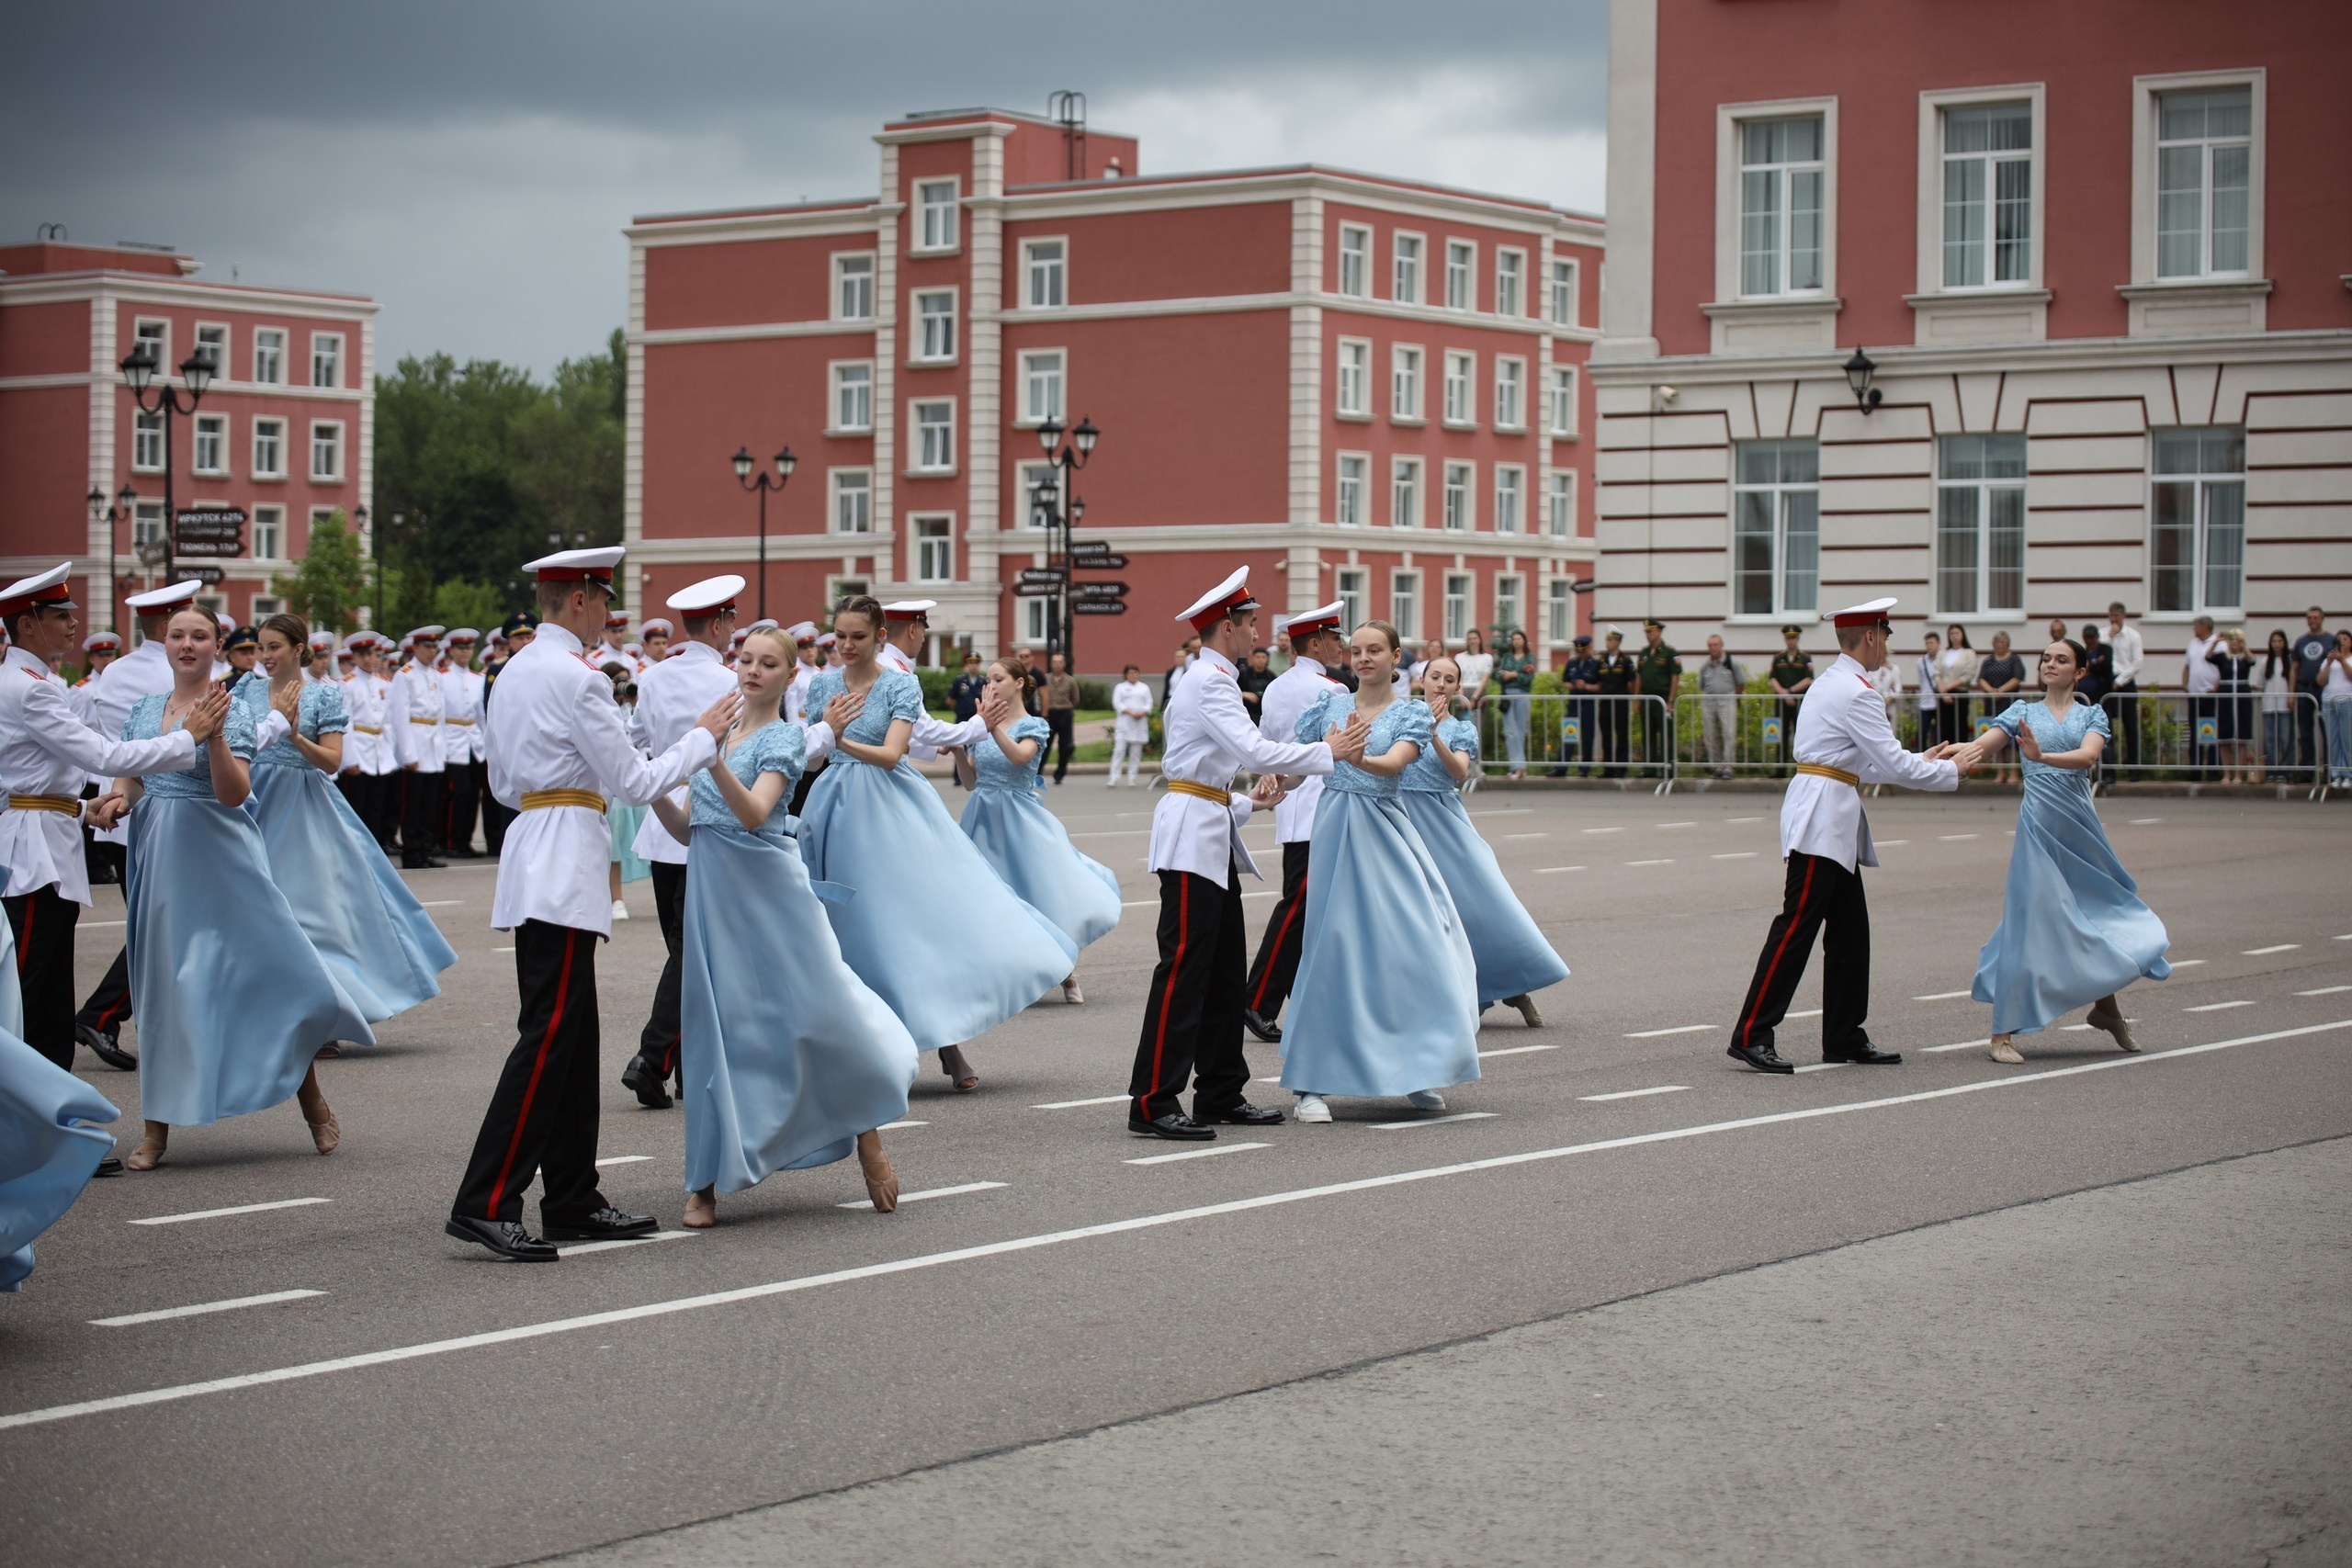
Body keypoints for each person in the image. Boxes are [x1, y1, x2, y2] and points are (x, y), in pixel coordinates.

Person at [447, 547, 736, 1263]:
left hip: (537, 840)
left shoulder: (514, 669)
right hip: (562, 850)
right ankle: (487, 1199)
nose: (609, 613)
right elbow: (635, 780)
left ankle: (572, 1194)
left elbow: (504, 779)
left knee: (573, 1038)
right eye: (603, 600)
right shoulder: (577, 680)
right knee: (548, 1037)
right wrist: (704, 738)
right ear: (578, 599)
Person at [646, 623, 910, 1228]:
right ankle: (705, 1182)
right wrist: (654, 781)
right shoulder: (721, 731)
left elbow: (753, 813)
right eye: (745, 658)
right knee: (717, 1032)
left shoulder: (786, 738)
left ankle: (866, 1134)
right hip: (713, 900)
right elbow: (689, 829)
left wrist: (704, 755)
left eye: (768, 663)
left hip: (772, 897)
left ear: (791, 676)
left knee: (819, 1018)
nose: (752, 669)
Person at [98, 606, 369, 1170]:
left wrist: (216, 736)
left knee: (267, 979)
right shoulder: (146, 709)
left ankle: (311, 1098)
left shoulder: (237, 707)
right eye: (178, 636)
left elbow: (231, 792)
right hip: (161, 856)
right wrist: (118, 799)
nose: (188, 645)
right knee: (164, 989)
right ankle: (154, 1131)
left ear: (217, 645)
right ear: (165, 644)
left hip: (223, 854)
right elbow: (133, 778)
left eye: (200, 636)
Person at [797, 595, 1076, 1097]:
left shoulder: (900, 682)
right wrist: (819, 743)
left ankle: (946, 1041)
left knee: (904, 921)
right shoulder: (821, 684)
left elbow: (893, 752)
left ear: (880, 636)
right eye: (839, 635)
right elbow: (813, 759)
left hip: (888, 810)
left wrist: (836, 738)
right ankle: (854, 1048)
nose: (845, 645)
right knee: (838, 927)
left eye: (857, 636)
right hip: (832, 809)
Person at [1125, 569, 1362, 1141]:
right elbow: (1252, 748)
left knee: (1226, 970)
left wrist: (1249, 803)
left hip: (1206, 824)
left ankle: (1220, 1090)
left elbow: (1202, 772)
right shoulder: (1210, 680)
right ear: (1227, 626)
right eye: (1252, 622)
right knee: (1183, 968)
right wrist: (1323, 750)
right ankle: (1153, 1099)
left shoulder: (1211, 677)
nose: (1260, 631)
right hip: (1190, 837)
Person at [1724, 599, 1962, 1075]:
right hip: (1822, 818)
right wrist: (1949, 770)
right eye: (1887, 634)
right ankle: (1752, 1032)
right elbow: (1890, 764)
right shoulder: (1858, 692)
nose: (1887, 643)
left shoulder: (1832, 683)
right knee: (1796, 928)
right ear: (1872, 636)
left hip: (1830, 812)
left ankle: (1844, 1034)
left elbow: (1859, 760)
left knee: (1851, 934)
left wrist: (1929, 762)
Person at [0, 568, 206, 1107]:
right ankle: (30, 1129)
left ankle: (52, 1124)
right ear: (28, 625)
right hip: (30, 858)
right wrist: (188, 738)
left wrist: (79, 808)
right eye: (61, 616)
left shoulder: (33, 682)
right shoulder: (28, 689)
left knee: (44, 1002)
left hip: (46, 841)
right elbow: (104, 756)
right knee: (26, 1000)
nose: (74, 623)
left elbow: (29, 780)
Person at [1272, 621, 1478, 1122]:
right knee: (1331, 948)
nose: (1364, 658)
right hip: (1336, 826)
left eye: (1375, 650)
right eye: (1357, 650)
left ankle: (1418, 1068)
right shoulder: (1329, 705)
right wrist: (1276, 780)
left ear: (1395, 656)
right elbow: (1303, 766)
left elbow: (1395, 765)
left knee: (1413, 943)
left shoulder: (1410, 711)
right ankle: (1311, 1084)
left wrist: (1356, 758)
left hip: (1386, 829)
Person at [232, 614, 458, 1032]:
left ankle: (325, 1013)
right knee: (256, 908)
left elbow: (332, 760)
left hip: (302, 804)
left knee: (313, 910)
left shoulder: (323, 696)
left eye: (273, 647)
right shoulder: (246, 689)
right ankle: (267, 1010)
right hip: (254, 801)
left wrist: (296, 737)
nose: (264, 656)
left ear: (298, 649)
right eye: (260, 648)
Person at [1956, 639, 2170, 1064]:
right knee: (2029, 919)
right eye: (2046, 659)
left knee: (2090, 915)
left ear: (2080, 672)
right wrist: (1943, 760)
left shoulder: (2092, 714)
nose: (2050, 664)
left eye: (2062, 660)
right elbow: (1982, 746)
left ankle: (2106, 1011)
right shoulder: (2022, 712)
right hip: (2038, 827)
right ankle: (2001, 1034)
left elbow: (2088, 756)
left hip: (2080, 829)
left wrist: (2041, 755)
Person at [619, 574, 743, 1110]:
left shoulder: (654, 675)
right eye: (731, 621)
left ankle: (689, 1065)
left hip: (663, 818)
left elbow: (640, 739)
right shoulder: (730, 678)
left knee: (687, 948)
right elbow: (741, 746)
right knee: (697, 953)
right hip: (711, 817)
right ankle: (653, 1057)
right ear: (717, 624)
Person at [72, 579, 207, 1069]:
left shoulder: (122, 670)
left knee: (162, 927)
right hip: (158, 813)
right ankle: (102, 1013)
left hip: (129, 812)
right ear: (176, 623)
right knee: (161, 929)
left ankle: (125, 1018)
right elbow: (180, 744)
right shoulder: (167, 674)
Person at [1404, 653, 1565, 1026]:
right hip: (1403, 819)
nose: (1440, 684)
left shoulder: (1461, 729)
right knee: (1419, 913)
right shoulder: (1401, 717)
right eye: (1434, 677)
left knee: (1478, 909)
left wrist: (1432, 735)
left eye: (1448, 679)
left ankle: (1516, 986)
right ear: (1421, 681)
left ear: (1459, 688)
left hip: (1443, 823)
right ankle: (1431, 995)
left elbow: (1458, 771)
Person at [950, 658, 1121, 1004]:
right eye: (989, 679)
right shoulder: (980, 725)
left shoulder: (1035, 725)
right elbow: (970, 781)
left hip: (1019, 818)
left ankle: (1065, 972)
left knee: (1037, 894)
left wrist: (989, 725)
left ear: (1019, 683)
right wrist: (957, 746)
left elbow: (1018, 758)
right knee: (988, 897)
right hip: (981, 816)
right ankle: (1001, 974)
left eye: (998, 678)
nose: (991, 684)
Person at [1240, 602, 1351, 1044]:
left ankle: (1310, 999)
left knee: (1312, 911)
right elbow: (1343, 752)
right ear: (1317, 642)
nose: (1342, 646)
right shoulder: (1333, 690)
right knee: (1301, 910)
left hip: (1291, 805)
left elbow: (1264, 745)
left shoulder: (1278, 687)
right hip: (1321, 806)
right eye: (1336, 638)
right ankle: (1257, 999)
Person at [1, 903, 120, 1284]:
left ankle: (45, 1139)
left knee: (48, 1012)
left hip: (50, 869)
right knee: (25, 1003)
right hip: (27, 865)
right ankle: (39, 1141)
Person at [386, 625, 447, 869]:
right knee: (413, 802)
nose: (432, 651)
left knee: (430, 802)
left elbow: (440, 714)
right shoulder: (405, 675)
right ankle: (411, 850)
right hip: (416, 742)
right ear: (416, 648)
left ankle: (425, 847)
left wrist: (442, 748)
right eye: (428, 646)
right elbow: (399, 717)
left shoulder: (435, 675)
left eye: (435, 646)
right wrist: (407, 753)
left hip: (432, 744)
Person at [602, 661, 651, 917]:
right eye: (619, 681)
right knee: (615, 842)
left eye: (627, 680)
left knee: (643, 837)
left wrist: (633, 702)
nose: (625, 685)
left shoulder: (632, 708)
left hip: (638, 773)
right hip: (613, 780)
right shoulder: (602, 708)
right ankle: (615, 898)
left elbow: (644, 735)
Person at [437, 629, 486, 856]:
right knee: (458, 793)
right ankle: (451, 840)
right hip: (452, 738)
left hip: (473, 741)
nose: (465, 652)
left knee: (472, 793)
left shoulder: (478, 679)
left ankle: (465, 841)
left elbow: (481, 715)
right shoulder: (442, 678)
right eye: (461, 648)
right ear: (451, 651)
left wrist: (486, 742)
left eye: (468, 648)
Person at [2207, 628, 2256, 785]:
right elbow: (2207, 657)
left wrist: (2244, 647)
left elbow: (2253, 661)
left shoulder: (2245, 658)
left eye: (2238, 640)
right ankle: (2227, 774)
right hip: (2226, 697)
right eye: (2232, 640)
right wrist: (2216, 641)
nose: (2235, 643)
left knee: (2242, 736)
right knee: (2225, 736)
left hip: (2242, 697)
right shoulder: (2223, 657)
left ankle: (2239, 775)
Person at [1975, 631, 2026, 785]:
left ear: (2007, 644)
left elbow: (2017, 678)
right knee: (1995, 736)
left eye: (2002, 642)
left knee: (2011, 738)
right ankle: (2000, 772)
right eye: (1997, 642)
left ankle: (2013, 772)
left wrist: (2001, 691)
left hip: (2009, 702)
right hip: (1992, 703)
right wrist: (1992, 691)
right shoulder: (1989, 661)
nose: (1999, 645)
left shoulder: (2014, 659)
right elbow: (1981, 678)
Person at [1634, 619, 1679, 778]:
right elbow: (1639, 676)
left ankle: (1668, 769)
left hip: (1663, 698)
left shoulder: (1669, 652)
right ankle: (1649, 768)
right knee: (1648, 734)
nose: (1648, 635)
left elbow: (1675, 677)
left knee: (1666, 735)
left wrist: (1671, 700)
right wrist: (1637, 699)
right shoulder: (1644, 653)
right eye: (1646, 632)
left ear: (1659, 632)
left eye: (1651, 632)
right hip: (1647, 699)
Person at [2290, 608, 2331, 784]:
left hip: (2324, 690)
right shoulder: (2301, 641)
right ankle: (2308, 771)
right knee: (2305, 732)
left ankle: (2329, 770)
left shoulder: (2331, 640)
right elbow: (2294, 669)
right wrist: (2291, 694)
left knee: (2327, 731)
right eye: (2309, 618)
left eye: (2315, 617)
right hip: (2304, 689)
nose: (2312, 620)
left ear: (2322, 619)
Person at [1696, 634, 1745, 780]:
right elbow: (1701, 685)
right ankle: (1716, 766)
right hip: (1709, 701)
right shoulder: (1705, 666)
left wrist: (1733, 697)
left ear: (1721, 646)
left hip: (1727, 700)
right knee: (1710, 735)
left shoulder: (1731, 663)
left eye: (1715, 645)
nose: (1713, 648)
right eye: (1710, 645)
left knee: (1728, 734)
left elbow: (1741, 683)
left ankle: (1728, 766)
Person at [2105, 603, 2146, 770]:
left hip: (2126, 682)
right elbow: (2100, 652)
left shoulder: (2133, 635)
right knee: (2106, 726)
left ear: (2123, 616)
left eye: (2117, 616)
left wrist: (2120, 680)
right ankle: (2109, 768)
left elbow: (2137, 662)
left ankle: (2133, 769)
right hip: (2107, 682)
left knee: (2130, 727)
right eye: (2111, 616)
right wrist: (2110, 636)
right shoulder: (2103, 634)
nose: (2114, 619)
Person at [1769, 625, 1815, 774]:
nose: (1791, 641)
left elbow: (1808, 679)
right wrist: (1783, 693)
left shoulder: (1806, 658)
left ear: (1798, 639)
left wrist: (1790, 692)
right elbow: (1773, 679)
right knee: (1780, 734)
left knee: (1799, 734)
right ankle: (1780, 769)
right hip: (1782, 702)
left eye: (1793, 638)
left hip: (1799, 701)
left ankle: (1799, 769)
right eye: (1788, 638)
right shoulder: (1778, 658)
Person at [1494, 629, 1536, 779]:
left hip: (1523, 695)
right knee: (1510, 731)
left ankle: (1520, 767)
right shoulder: (1507, 657)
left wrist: (1514, 674)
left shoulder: (1529, 657)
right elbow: (1499, 674)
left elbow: (1529, 678)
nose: (1516, 641)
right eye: (1514, 639)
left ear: (1524, 640)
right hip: (1507, 694)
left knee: (1520, 730)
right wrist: (1511, 675)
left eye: (1519, 638)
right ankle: (1516, 766)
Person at [2183, 615, 2221, 781]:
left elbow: (2224, 668)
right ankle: (2195, 770)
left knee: (2211, 732)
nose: (2194, 629)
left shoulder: (2219, 644)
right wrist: (2185, 683)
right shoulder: (2192, 644)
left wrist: (2217, 687)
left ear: (2204, 626)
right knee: (2194, 733)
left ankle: (2213, 770)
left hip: (2210, 695)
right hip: (2194, 694)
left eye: (2196, 626)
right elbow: (2187, 665)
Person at [1595, 626, 1635, 778]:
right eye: (1607, 639)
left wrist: (1631, 696)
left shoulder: (1625, 660)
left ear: (1618, 641)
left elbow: (1632, 680)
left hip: (1620, 702)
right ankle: (1608, 768)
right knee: (1606, 735)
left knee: (1621, 734)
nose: (1608, 642)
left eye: (1610, 639)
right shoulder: (1602, 660)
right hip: (1605, 702)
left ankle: (1621, 768)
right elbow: (1598, 680)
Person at [1562, 633, 1600, 775]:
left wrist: (1586, 687)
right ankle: (1562, 767)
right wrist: (1571, 686)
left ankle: (1584, 769)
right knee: (1569, 736)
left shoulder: (1595, 664)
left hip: (1587, 705)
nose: (1580, 652)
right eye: (1578, 650)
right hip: (1573, 704)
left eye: (1582, 650)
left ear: (1588, 648)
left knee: (1587, 737)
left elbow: (1599, 686)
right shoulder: (1571, 663)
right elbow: (1564, 681)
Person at [1937, 625, 1979, 749]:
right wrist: (1943, 692)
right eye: (1952, 634)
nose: (1954, 636)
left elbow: (1968, 674)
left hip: (1959, 692)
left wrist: (1949, 687)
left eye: (1957, 633)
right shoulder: (1943, 652)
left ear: (1962, 635)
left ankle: (1960, 754)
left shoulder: (1968, 653)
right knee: (1944, 726)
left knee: (1960, 725)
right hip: (1944, 694)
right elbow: (1936, 672)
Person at [1110, 663, 1152, 785]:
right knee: (1119, 750)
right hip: (1125, 722)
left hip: (1139, 723)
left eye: (1135, 673)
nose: (1133, 675)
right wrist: (1129, 711)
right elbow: (1117, 703)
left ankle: (1132, 777)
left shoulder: (1144, 687)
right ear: (1125, 675)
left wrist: (1143, 712)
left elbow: (1149, 703)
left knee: (1136, 753)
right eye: (1130, 673)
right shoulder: (1120, 687)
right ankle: (1114, 777)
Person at [1042, 651, 1080, 784]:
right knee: (1045, 745)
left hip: (1065, 714)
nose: (1057, 665)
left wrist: (1067, 708)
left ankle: (1060, 774)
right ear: (1051, 664)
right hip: (1050, 714)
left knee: (1065, 746)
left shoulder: (1070, 681)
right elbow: (1040, 696)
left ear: (1064, 664)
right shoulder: (1045, 679)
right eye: (1055, 662)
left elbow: (1075, 699)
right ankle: (1038, 772)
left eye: (1060, 662)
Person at [2324, 630, 2352, 788]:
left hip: (2347, 701)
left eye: (2346, 639)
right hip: (2329, 702)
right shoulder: (2329, 660)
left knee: (2346, 740)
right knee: (2333, 741)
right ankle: (2336, 775)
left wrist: (2343, 661)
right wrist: (2329, 663)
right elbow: (2320, 680)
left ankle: (2348, 774)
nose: (2342, 641)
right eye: (2339, 639)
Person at [1455, 627, 1495, 722]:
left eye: (1475, 638)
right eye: (1470, 639)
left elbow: (1484, 679)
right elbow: (1458, 678)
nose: (1472, 641)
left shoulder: (1487, 658)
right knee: (1463, 725)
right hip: (1463, 691)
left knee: (1478, 725)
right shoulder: (1459, 657)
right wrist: (1461, 697)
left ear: (1480, 640)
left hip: (1479, 693)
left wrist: (1475, 698)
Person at [1913, 632, 1942, 752]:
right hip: (1925, 701)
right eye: (1927, 643)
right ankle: (1922, 756)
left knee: (1940, 732)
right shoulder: (1921, 662)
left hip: (1939, 702)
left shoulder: (1942, 660)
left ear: (1938, 644)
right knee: (1922, 732)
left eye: (1932, 643)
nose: (1929, 646)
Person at [1238, 646, 1276, 723]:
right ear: (1253, 658)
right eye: (1258, 657)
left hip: (1265, 713)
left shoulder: (1272, 676)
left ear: (1267, 659)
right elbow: (1233, 690)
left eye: (1263, 657)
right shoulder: (1243, 674)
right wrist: (1244, 694)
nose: (1260, 660)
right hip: (1246, 713)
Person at [947, 652, 987, 725]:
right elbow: (951, 700)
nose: (973, 665)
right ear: (966, 664)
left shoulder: (984, 682)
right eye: (971, 663)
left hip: (980, 719)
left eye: (976, 663)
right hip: (962, 719)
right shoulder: (959, 681)